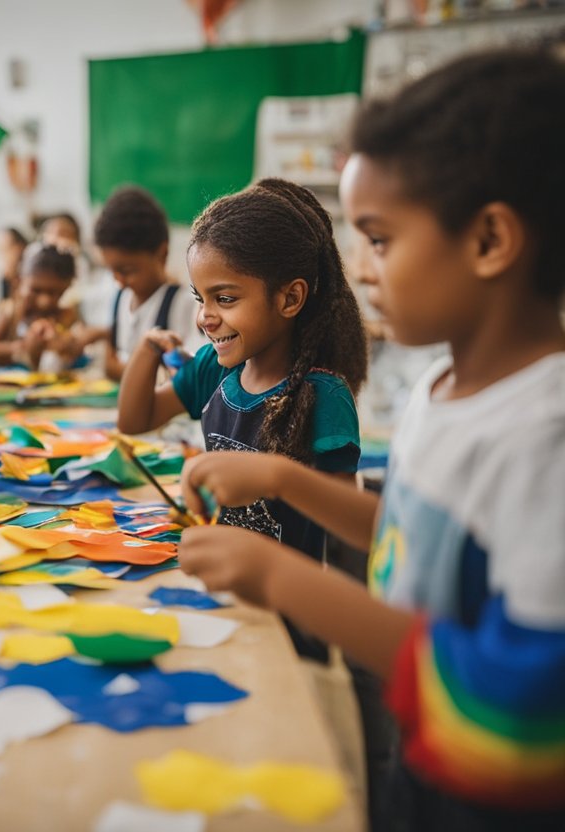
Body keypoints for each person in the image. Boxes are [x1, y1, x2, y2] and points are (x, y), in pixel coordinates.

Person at [178, 47, 565, 831]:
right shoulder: (441, 389)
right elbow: (413, 540)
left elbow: (516, 703)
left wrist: (281, 577)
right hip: (420, 762)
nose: (359, 268)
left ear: (490, 240)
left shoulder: (543, 437)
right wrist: (285, 483)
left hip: (490, 799)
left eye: (380, 239)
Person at [118, 177, 367, 661]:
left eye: (225, 299)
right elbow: (135, 419)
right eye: (199, 298)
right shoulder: (217, 368)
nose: (205, 317)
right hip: (222, 601)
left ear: (289, 299)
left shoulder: (323, 395)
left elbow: (348, 526)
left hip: (287, 620)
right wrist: (147, 351)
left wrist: (278, 479)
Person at [93, 184, 205, 380]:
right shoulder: (120, 298)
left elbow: (185, 376)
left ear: (162, 254)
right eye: (112, 271)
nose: (119, 280)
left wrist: (120, 370)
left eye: (127, 271)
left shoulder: (182, 305)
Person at [0, 241, 96, 371]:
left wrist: (66, 345)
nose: (44, 301)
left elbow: (81, 348)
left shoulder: (67, 316)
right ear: (19, 281)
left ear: (66, 287)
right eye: (36, 290)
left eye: (54, 293)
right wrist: (20, 347)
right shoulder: (10, 313)